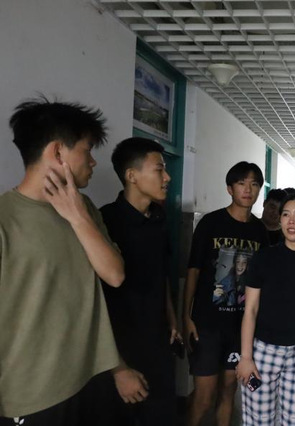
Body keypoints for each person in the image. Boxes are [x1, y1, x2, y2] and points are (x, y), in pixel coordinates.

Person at [0, 98, 147, 426]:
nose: (93, 162)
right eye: (87, 150)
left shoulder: (86, 208)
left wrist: (77, 216)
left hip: (89, 378)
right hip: (31, 394)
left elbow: (114, 275)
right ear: (57, 152)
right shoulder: (5, 219)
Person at [99, 137, 180, 426]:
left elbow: (162, 273)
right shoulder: (105, 221)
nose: (167, 177)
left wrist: (172, 318)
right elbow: (94, 299)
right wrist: (116, 367)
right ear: (131, 176)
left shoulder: (160, 219)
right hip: (120, 349)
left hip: (158, 342)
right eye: (159, 169)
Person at [183, 161, 269, 426]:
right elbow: (194, 271)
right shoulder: (210, 223)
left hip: (239, 328)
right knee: (204, 396)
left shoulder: (260, 231)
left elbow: (262, 282)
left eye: (254, 184)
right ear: (230, 189)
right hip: (207, 324)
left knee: (229, 391)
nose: (248, 189)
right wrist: (186, 315)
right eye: (242, 183)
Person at [237, 192, 295, 426]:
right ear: (280, 220)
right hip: (262, 354)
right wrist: (246, 357)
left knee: (293, 421)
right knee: (259, 420)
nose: (291, 221)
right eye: (286, 214)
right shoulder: (262, 259)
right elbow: (250, 310)